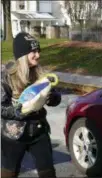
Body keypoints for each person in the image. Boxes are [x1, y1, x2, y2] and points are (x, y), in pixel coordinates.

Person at [1, 32, 61, 178]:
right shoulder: (6, 76)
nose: (38, 55)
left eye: (38, 51)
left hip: (39, 131)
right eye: (33, 51)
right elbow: (1, 107)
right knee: (9, 173)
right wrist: (16, 112)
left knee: (48, 173)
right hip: (14, 135)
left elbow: (57, 98)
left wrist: (52, 97)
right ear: (22, 55)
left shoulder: (40, 73)